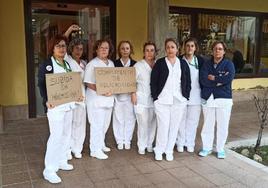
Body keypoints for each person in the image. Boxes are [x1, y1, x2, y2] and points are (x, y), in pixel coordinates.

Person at [38, 35, 80, 184]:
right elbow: (42, 84)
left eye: (63, 46)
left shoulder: (67, 64)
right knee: (56, 136)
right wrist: (47, 100)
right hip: (55, 106)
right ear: (52, 48)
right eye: (58, 46)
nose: (61, 48)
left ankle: (61, 160)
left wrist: (77, 95)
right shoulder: (47, 64)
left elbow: (70, 84)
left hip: (68, 104)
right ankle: (49, 169)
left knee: (66, 134)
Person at [151, 38, 191, 161]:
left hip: (178, 100)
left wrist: (186, 97)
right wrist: (155, 98)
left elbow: (188, 81)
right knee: (163, 126)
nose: (170, 49)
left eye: (172, 47)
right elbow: (153, 82)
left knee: (174, 127)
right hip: (162, 100)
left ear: (177, 49)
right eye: (168, 47)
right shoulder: (160, 63)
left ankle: (169, 151)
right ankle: (159, 150)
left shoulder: (183, 63)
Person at [199, 41, 235, 159]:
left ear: (224, 51)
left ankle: (220, 149)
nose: (217, 51)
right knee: (208, 124)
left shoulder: (229, 64)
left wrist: (214, 78)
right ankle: (207, 148)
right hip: (208, 97)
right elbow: (203, 79)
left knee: (222, 125)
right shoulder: (206, 64)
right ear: (212, 51)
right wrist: (219, 81)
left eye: (220, 49)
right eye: (215, 49)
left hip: (224, 99)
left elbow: (228, 78)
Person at [84, 39, 114, 160]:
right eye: (101, 48)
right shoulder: (92, 64)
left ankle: (101, 144)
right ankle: (94, 149)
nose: (103, 50)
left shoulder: (111, 63)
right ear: (96, 49)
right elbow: (88, 82)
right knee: (97, 125)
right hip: (96, 99)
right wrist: (101, 90)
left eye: (106, 48)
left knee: (105, 124)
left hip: (108, 99)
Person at [63, 25, 87, 159]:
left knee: (80, 123)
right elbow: (61, 42)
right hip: (69, 97)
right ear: (70, 49)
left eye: (81, 49)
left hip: (82, 97)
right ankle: (67, 150)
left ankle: (77, 148)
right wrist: (69, 30)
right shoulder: (67, 60)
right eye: (76, 48)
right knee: (68, 124)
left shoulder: (84, 63)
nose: (78, 51)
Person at [176, 38, 204, 153]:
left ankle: (190, 142)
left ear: (195, 48)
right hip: (181, 95)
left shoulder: (200, 61)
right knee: (180, 119)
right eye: (187, 45)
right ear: (184, 47)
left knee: (193, 120)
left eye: (192, 46)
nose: (190, 48)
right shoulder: (178, 60)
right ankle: (180, 142)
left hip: (196, 95)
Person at [131, 41, 157, 155]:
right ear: (144, 52)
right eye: (147, 50)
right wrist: (133, 93)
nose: (149, 53)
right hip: (141, 99)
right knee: (142, 123)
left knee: (153, 123)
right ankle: (142, 145)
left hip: (154, 99)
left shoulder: (158, 64)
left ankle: (150, 144)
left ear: (155, 52)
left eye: (152, 50)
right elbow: (131, 81)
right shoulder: (138, 65)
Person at [113, 40, 136, 150]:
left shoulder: (135, 64)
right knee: (118, 118)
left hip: (130, 96)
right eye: (122, 48)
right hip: (118, 96)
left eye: (127, 48)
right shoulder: (114, 64)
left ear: (130, 49)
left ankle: (127, 140)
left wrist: (134, 93)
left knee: (130, 118)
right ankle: (119, 140)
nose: (125, 50)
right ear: (119, 50)